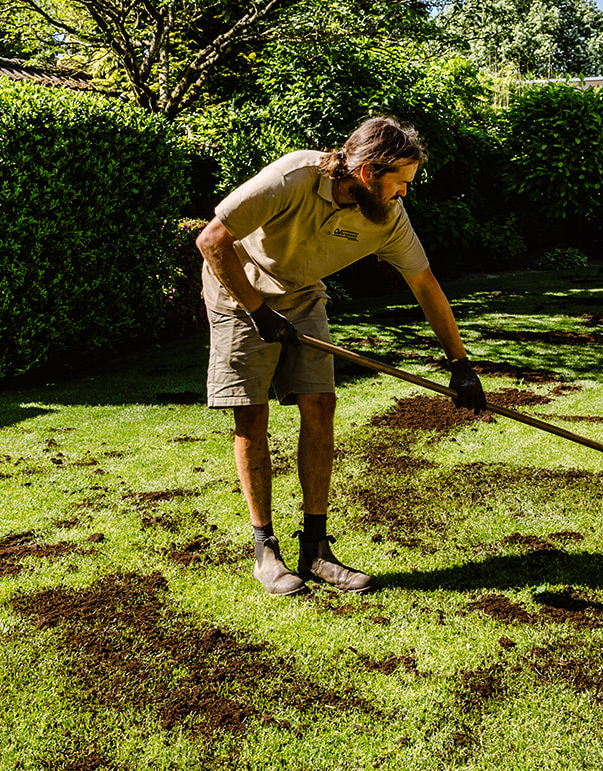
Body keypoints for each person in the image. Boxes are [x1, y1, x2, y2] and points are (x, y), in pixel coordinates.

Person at [195, 115, 486, 597]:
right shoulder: (292, 178)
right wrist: (258, 311)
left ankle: (315, 549)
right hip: (239, 291)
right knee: (251, 413)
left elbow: (425, 284)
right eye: (400, 182)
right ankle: (266, 550)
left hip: (303, 294)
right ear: (369, 173)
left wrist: (460, 365)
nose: (405, 194)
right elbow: (211, 241)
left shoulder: (387, 217)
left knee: (320, 403)